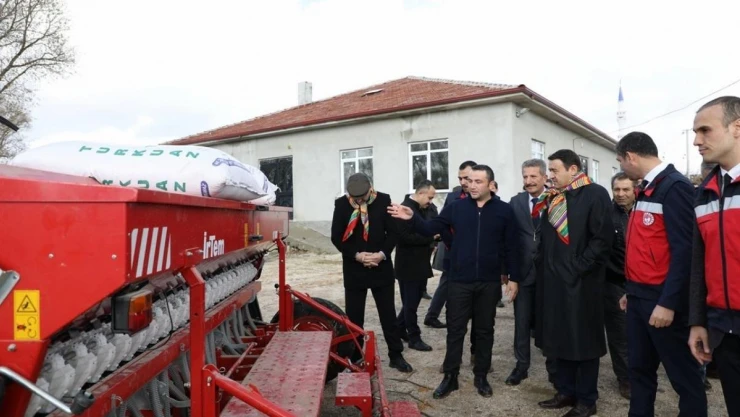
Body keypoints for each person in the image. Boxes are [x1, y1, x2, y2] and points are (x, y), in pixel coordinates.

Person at [388, 164, 520, 399]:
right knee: (455, 330)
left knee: (484, 330)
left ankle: (481, 376)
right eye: (470, 181)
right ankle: (450, 377)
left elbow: (511, 245)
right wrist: (412, 218)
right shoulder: (456, 207)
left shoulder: (504, 211)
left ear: (490, 184)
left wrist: (513, 277)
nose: (471, 185)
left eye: (478, 181)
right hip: (459, 280)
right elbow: (430, 228)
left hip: (488, 281)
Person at [615, 131, 707, 417]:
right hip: (639, 297)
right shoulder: (648, 188)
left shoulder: (674, 187)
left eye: (620, 161)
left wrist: (668, 302)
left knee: (684, 376)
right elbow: (647, 247)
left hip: (663, 301)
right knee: (639, 370)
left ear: (630, 156)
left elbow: (686, 251)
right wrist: (632, 290)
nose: (621, 167)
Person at [534, 149, 613, 417]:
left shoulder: (595, 194)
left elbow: (602, 239)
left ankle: (587, 400)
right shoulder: (553, 197)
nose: (551, 175)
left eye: (554, 170)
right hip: (553, 282)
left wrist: (578, 267)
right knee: (558, 338)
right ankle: (565, 391)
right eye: (550, 170)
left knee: (583, 341)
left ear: (573, 169)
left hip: (582, 283)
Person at [330, 172, 413, 373]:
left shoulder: (383, 200)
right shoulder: (341, 205)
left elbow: (393, 233)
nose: (359, 201)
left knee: (388, 314)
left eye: (362, 197)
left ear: (370, 189)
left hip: (380, 267)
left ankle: (395, 354)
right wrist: (357, 255)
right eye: (355, 198)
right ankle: (356, 356)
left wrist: (381, 254)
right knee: (354, 317)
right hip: (354, 268)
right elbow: (336, 237)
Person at [689, 96, 740, 417]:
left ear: (737, 128)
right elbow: (699, 263)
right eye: (695, 132)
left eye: (705, 130)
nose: (696, 140)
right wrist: (698, 321)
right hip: (724, 330)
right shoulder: (704, 193)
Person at [504, 159, 551, 386]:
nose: (529, 181)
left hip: (550, 273)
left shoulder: (557, 200)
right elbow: (508, 239)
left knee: (549, 321)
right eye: (525, 176)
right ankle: (521, 366)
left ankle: (555, 367)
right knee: (521, 322)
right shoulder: (516, 202)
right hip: (522, 273)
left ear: (544, 177)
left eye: (533, 176)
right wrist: (509, 274)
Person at [424, 160, 477, 329]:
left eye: (466, 178)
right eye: (460, 178)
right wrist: (450, 243)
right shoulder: (453, 196)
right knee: (446, 282)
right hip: (452, 249)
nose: (463, 182)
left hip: (475, 251)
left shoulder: (484, 196)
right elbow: (443, 222)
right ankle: (432, 315)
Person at [395, 180, 438, 352]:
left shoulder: (422, 209)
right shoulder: (404, 209)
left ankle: (399, 328)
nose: (431, 202)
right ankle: (414, 337)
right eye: (430, 198)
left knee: (413, 300)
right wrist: (430, 238)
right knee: (410, 304)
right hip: (408, 265)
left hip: (420, 263)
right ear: (420, 193)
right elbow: (404, 238)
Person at [604, 172, 633, 400]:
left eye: (626, 189)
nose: (621, 194)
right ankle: (625, 380)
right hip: (615, 283)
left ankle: (641, 376)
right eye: (617, 190)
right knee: (620, 335)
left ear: (635, 190)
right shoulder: (606, 215)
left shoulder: (645, 211)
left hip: (642, 283)